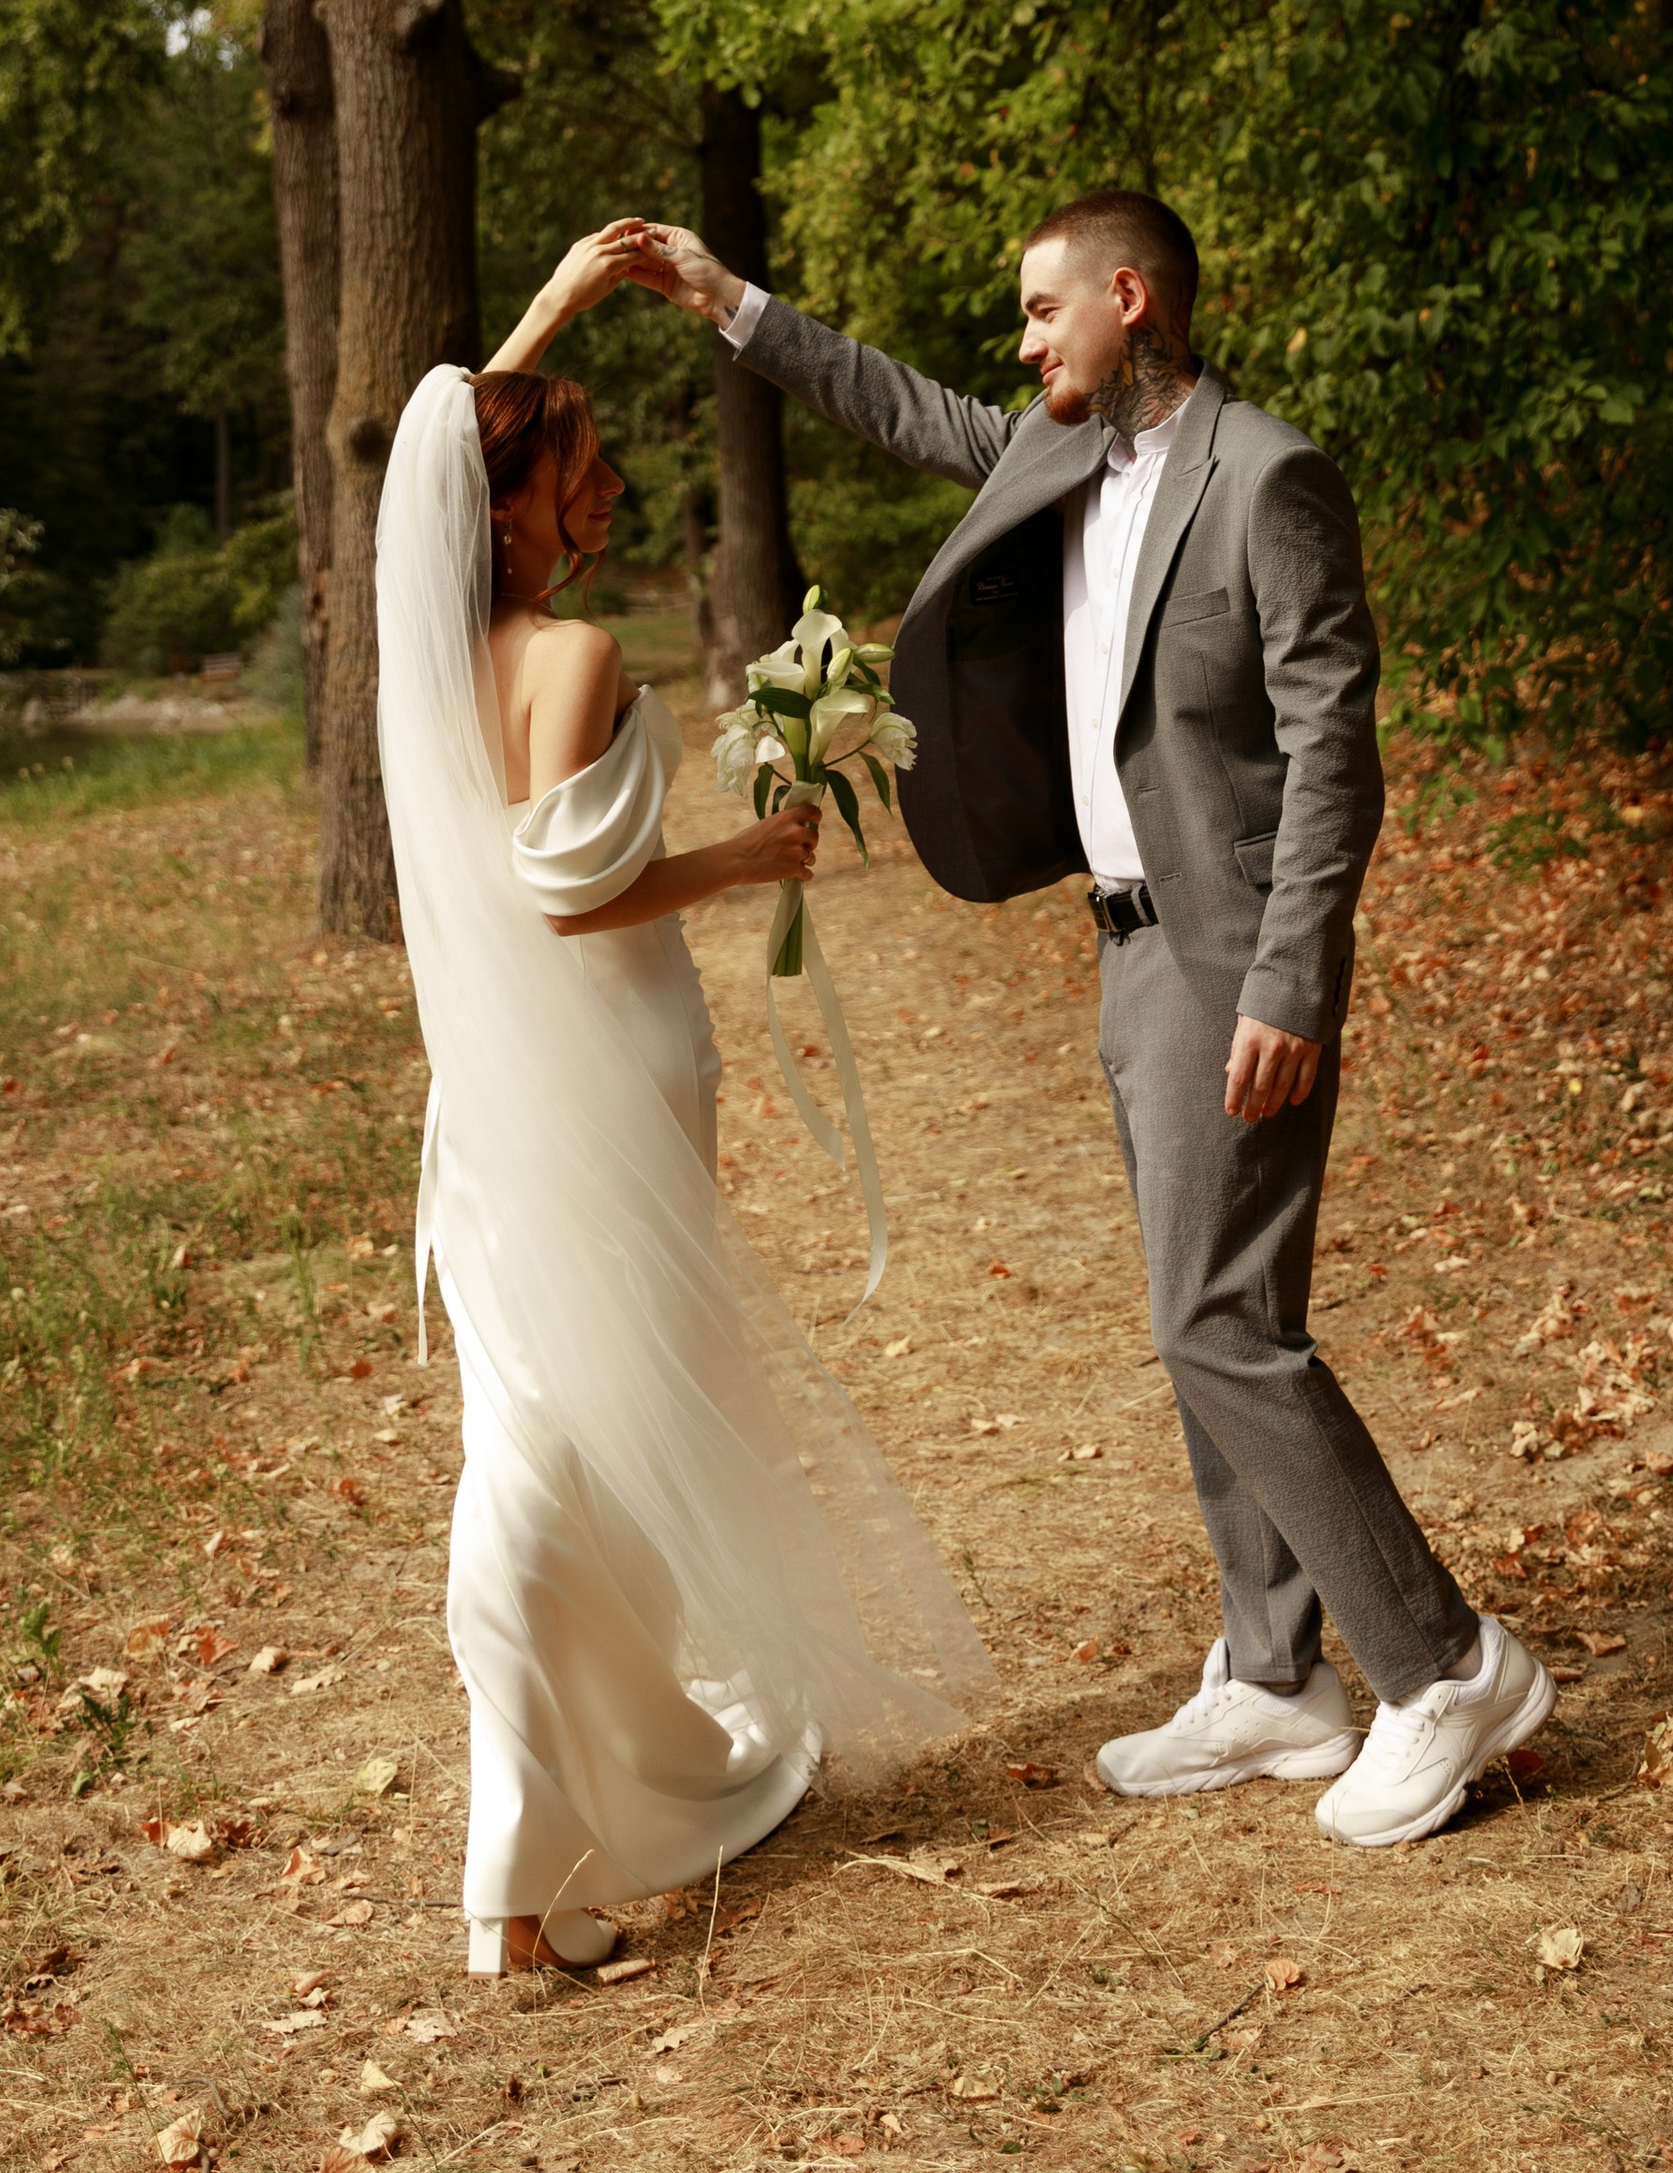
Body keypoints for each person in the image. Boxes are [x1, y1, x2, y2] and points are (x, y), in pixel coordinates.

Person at [618, 195, 1551, 1853]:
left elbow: (1336, 751)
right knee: (1204, 1317)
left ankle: (1445, 1663)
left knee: (1219, 1324)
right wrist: (728, 302)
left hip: (1227, 959)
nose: (1028, 347)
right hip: (1123, 956)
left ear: (1129, 300)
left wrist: (1289, 977)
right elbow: (902, 404)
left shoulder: (1266, 477)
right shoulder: (1058, 459)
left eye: (1047, 315)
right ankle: (1276, 1679)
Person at [375, 230, 990, 1978]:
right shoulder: (563, 663)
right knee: (582, 1443)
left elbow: (449, 454)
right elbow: (568, 898)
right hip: (603, 1079)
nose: (611, 479)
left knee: (544, 1425)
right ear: (518, 513)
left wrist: (563, 308)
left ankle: (553, 1828)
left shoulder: (442, 669)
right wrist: (744, 854)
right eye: (581, 463)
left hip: (492, 1109)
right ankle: (531, 1846)